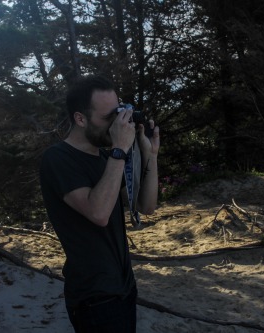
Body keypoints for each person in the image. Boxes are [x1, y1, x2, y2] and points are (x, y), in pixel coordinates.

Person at [39, 75, 160, 333]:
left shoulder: (107, 158)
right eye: (109, 118)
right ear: (80, 118)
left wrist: (151, 155)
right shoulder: (57, 159)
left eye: (118, 114)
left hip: (123, 286)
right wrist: (119, 149)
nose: (116, 124)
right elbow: (99, 213)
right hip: (94, 296)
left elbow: (146, 206)